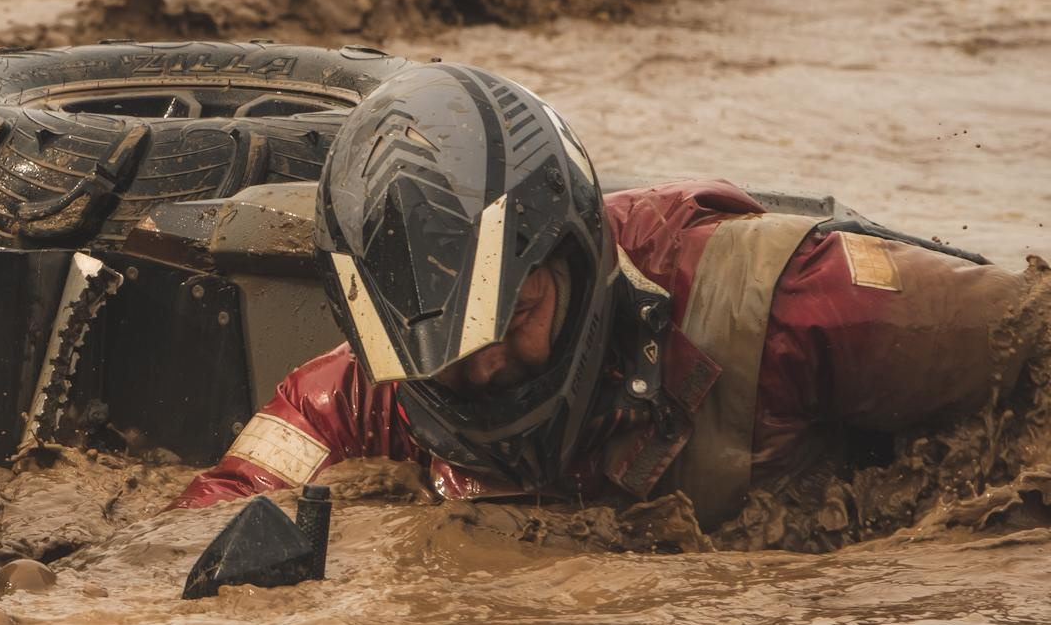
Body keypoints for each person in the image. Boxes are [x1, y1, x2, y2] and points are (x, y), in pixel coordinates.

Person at [175, 62, 1031, 542]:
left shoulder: (795, 302)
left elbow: (1036, 333)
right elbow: (208, 517)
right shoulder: (368, 390)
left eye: (512, 319)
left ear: (576, 265)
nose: (485, 366)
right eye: (441, 351)